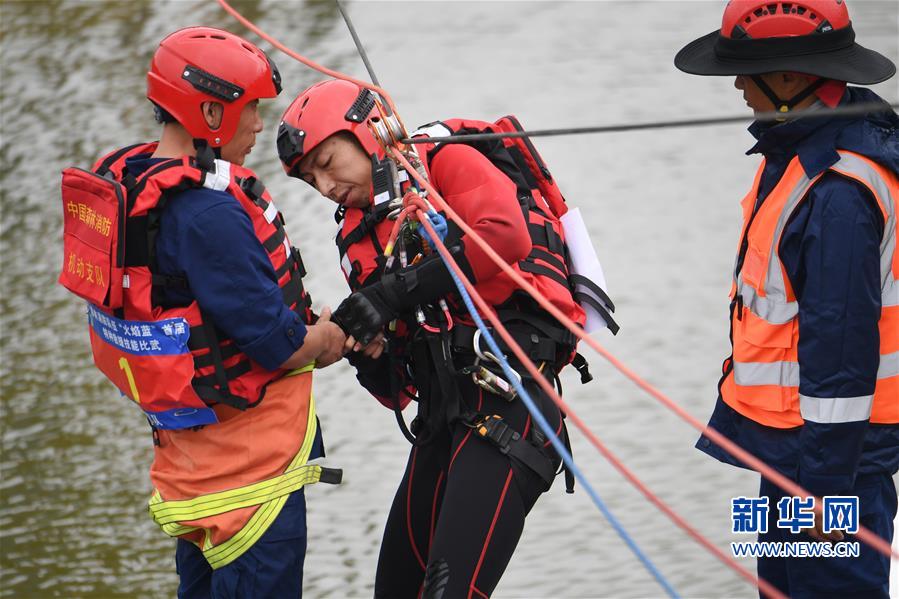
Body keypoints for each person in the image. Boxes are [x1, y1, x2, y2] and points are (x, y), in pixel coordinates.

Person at [275, 78, 610, 598]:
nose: (323, 185)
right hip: (439, 421)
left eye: (327, 161)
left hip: (510, 408)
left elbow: (505, 235)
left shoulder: (445, 159)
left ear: (370, 132)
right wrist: (369, 352)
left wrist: (390, 295)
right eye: (308, 179)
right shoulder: (361, 238)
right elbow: (397, 391)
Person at [59, 27, 356, 598]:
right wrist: (328, 336)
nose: (258, 126)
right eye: (251, 111)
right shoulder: (208, 215)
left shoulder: (134, 182)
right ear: (212, 112)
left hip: (190, 475)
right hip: (250, 487)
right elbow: (277, 344)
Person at [674, 1, 898, 597]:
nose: (740, 87)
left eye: (746, 73)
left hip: (833, 466)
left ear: (793, 79)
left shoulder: (840, 191)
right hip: (800, 454)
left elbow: (843, 351)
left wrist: (826, 495)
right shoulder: (800, 155)